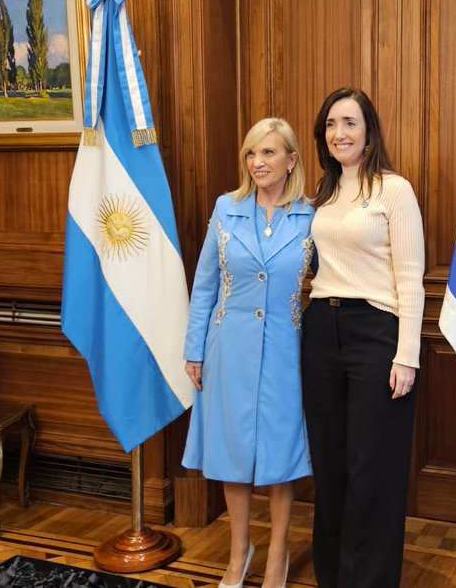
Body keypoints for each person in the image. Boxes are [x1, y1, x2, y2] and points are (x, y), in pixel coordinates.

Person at [302, 88, 426, 587]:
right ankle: (331, 577)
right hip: (320, 333)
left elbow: (411, 276)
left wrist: (408, 355)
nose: (340, 133)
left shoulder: (394, 190)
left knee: (372, 470)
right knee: (330, 468)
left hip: (377, 333)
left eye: (350, 123)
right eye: (331, 124)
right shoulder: (322, 195)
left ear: (369, 130)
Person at [182, 117, 314, 588]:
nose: (258, 162)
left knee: (282, 452)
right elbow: (204, 285)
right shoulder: (226, 208)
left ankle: (278, 551)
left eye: (269, 153)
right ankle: (240, 552)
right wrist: (193, 350)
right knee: (231, 449)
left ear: (292, 160)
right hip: (227, 349)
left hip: (286, 350)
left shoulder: (312, 215)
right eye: (252, 154)